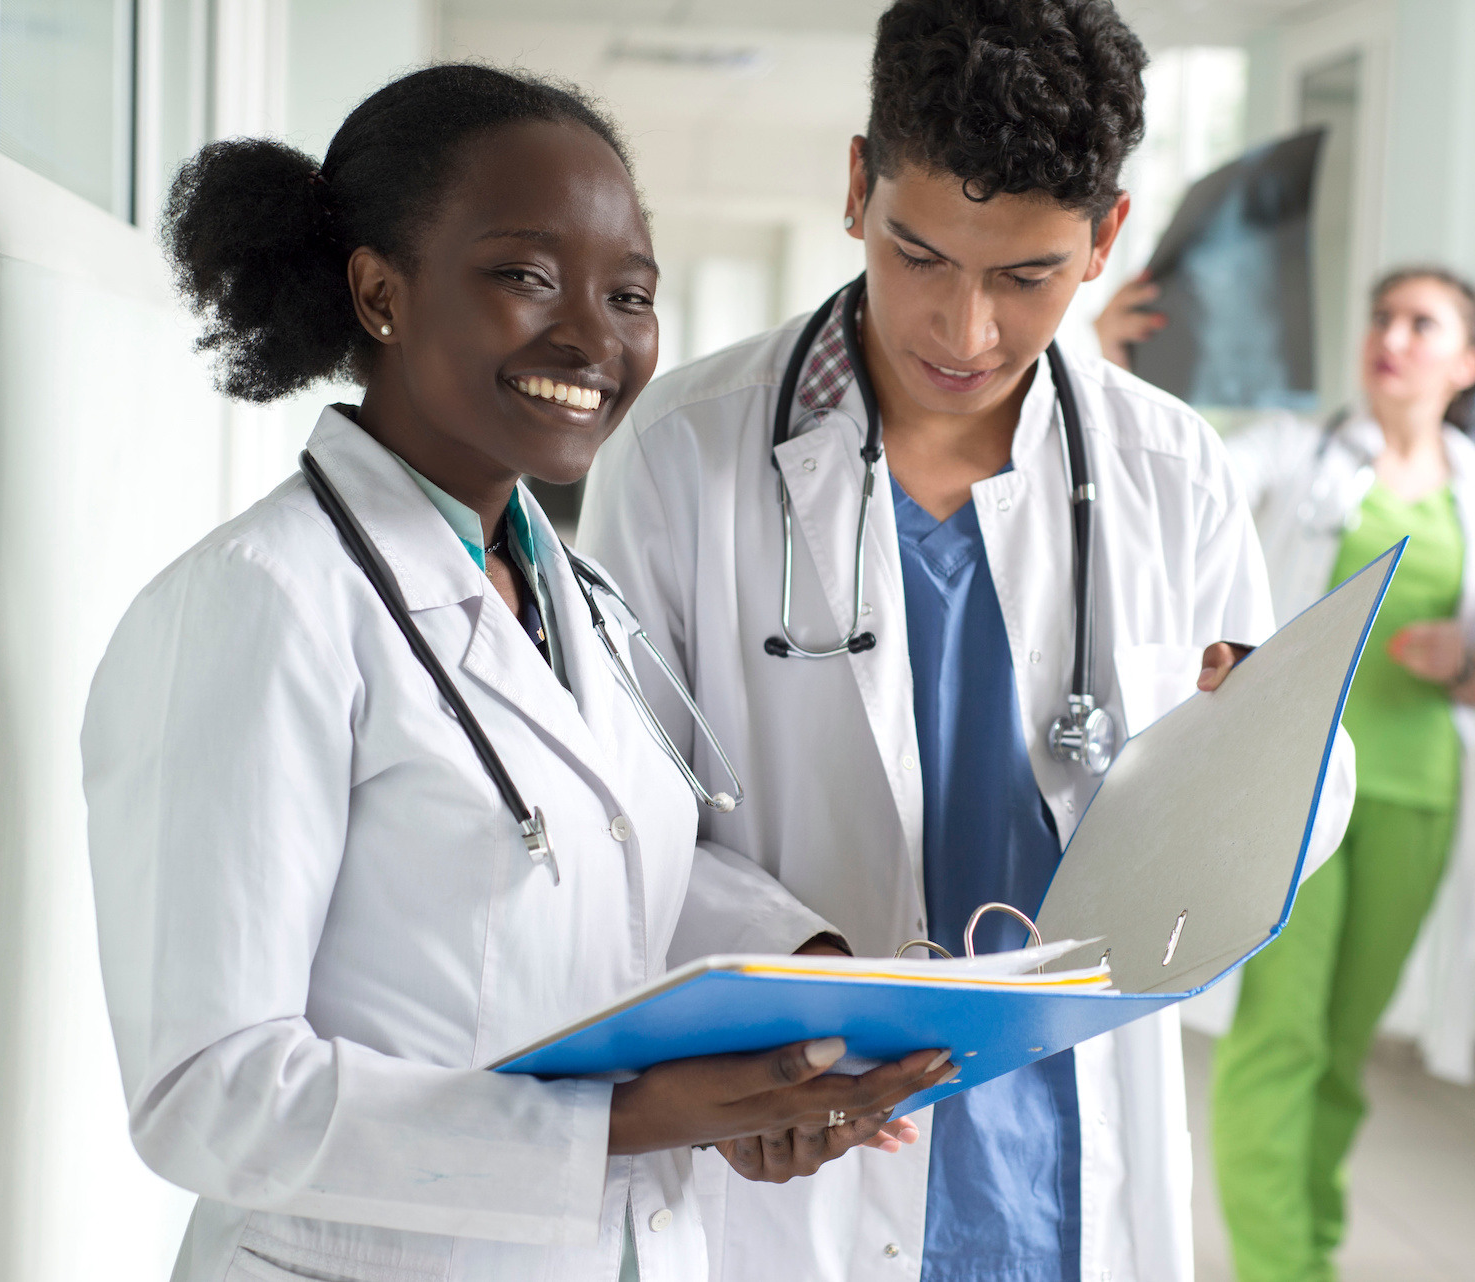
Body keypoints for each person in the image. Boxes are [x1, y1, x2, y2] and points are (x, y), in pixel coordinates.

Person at [80, 65, 954, 1282]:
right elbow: (210, 1093)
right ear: (380, 291)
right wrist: (639, 1118)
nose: (594, 336)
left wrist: (804, 1004)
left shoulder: (572, 595)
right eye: (527, 276)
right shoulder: (261, 605)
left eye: (630, 293)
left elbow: (611, 866)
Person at [576, 4, 1354, 1279]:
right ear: (855, 187)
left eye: (1025, 276)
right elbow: (622, 813)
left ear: (1105, 237)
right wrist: (807, 974)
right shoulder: (680, 453)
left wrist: (1274, 757)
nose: (964, 330)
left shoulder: (1172, 473)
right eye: (921, 255)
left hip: (1060, 1141)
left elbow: (1293, 805)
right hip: (814, 1115)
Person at [1206, 266, 1475, 1282]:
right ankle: (1277, 1269)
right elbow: (1190, 465)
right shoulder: (1303, 451)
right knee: (1279, 1039)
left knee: (1344, 1051)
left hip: (1420, 788)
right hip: (1302, 785)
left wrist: (1467, 664)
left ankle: (1316, 1252)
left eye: (1421, 323)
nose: (1391, 334)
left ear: (1465, 363)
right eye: (1382, 315)